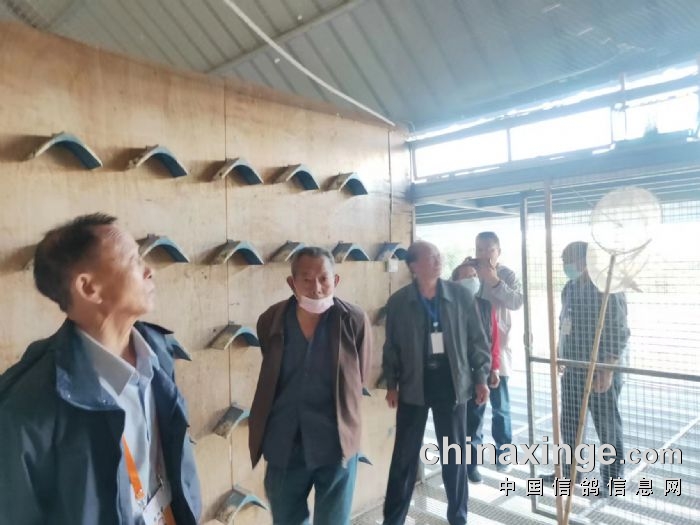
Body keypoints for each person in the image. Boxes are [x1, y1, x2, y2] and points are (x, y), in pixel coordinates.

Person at [0, 213, 202, 525]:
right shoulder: (28, 406)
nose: (150, 270)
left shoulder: (158, 352)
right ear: (89, 287)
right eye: (133, 260)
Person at [249, 247, 372, 525]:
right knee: (286, 518)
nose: (316, 288)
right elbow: (271, 367)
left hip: (335, 442)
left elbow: (359, 376)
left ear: (335, 281)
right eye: (306, 279)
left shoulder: (353, 320)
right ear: (291, 283)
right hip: (284, 442)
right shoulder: (271, 320)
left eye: (324, 279)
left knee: (334, 520)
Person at [382, 241, 491, 525]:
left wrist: (481, 378)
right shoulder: (399, 302)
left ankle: (458, 518)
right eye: (431, 257)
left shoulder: (460, 296)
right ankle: (393, 520)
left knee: (453, 455)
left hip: (453, 384)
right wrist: (392, 383)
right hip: (413, 384)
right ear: (414, 265)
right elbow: (391, 347)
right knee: (404, 458)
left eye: (438, 256)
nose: (438, 260)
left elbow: (477, 340)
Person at [542, 241, 630, 487]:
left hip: (600, 369)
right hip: (573, 367)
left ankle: (613, 478)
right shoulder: (570, 288)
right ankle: (569, 472)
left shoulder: (607, 287)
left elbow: (619, 331)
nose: (565, 266)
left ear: (583, 261)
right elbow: (565, 323)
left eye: (567, 261)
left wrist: (608, 369)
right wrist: (560, 353)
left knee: (607, 425)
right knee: (570, 423)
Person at [463, 231, 523, 473]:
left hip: (499, 351)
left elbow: (516, 302)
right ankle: (472, 460)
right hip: (472, 351)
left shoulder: (507, 274)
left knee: (501, 408)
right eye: (480, 249)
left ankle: (504, 454)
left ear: (499, 252)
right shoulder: (469, 271)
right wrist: (466, 274)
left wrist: (494, 280)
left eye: (489, 249)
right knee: (474, 409)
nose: (484, 254)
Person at [451, 262, 501, 484]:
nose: (472, 279)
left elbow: (493, 339)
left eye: (474, 275)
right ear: (455, 282)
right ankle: (455, 465)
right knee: (454, 423)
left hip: (480, 372)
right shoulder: (448, 306)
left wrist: (494, 367)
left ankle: (472, 465)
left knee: (475, 422)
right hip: (455, 375)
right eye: (466, 276)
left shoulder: (485, 306)